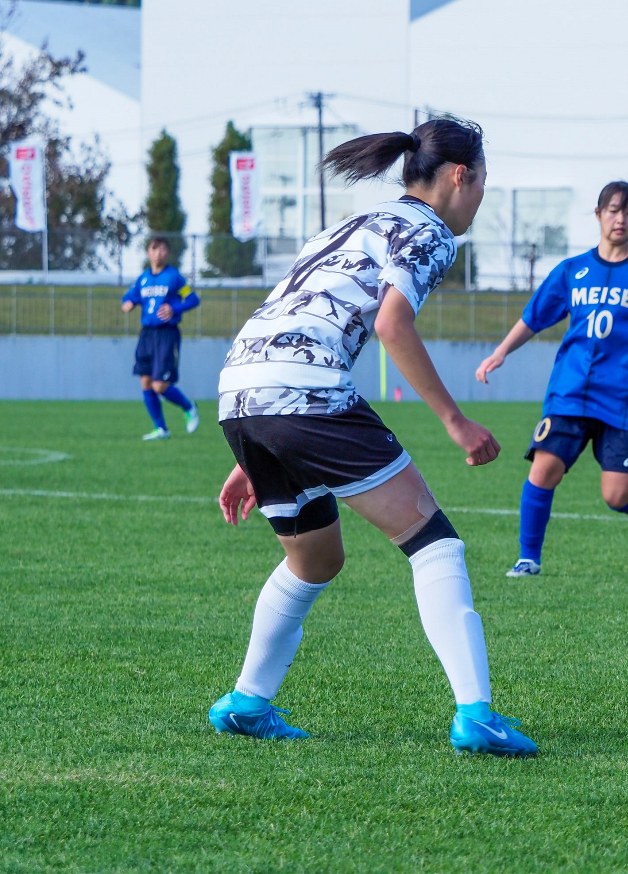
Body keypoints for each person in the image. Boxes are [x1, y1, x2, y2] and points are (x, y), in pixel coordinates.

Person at [209, 116, 536, 756]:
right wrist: (455, 420)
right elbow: (393, 325)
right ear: (459, 176)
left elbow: (291, 308)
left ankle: (248, 701)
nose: (478, 199)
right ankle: (476, 714)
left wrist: (261, 440)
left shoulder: (352, 224)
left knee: (314, 559)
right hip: (301, 392)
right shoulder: (430, 230)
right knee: (432, 541)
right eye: (482, 183)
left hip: (243, 389)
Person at [476, 181, 628, 578]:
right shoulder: (572, 270)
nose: (620, 218)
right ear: (598, 214)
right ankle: (528, 558)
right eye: (613, 210)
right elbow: (533, 317)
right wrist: (500, 352)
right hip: (569, 393)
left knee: (617, 496)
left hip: (625, 399)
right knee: (544, 469)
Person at [121, 236, 201, 440]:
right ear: (148, 252)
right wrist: (128, 303)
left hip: (166, 334)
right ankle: (161, 429)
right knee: (146, 382)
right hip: (146, 334)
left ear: (167, 253)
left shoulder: (174, 278)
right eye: (154, 249)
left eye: (163, 249)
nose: (158, 253)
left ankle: (189, 406)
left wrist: (174, 308)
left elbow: (192, 299)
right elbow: (129, 296)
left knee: (160, 385)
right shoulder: (144, 278)